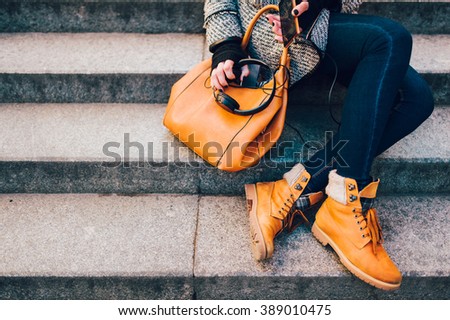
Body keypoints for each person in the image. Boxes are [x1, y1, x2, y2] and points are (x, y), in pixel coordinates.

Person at [204, 0, 434, 290]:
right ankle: (345, 199)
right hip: (269, 31)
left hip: (319, 23)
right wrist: (226, 47)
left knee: (418, 99)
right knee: (389, 37)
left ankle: (290, 189)